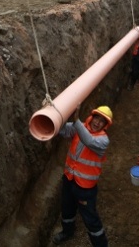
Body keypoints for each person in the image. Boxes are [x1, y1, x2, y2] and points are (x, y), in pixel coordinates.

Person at [52, 105, 113, 247]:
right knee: (67, 208)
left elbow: (88, 140)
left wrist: (76, 121)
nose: (97, 122)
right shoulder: (81, 127)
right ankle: (67, 231)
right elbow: (63, 130)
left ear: (105, 125)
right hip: (69, 178)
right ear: (91, 117)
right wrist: (57, 116)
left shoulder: (103, 140)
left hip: (85, 187)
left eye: (102, 121)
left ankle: (101, 245)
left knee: (90, 218)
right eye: (96, 118)